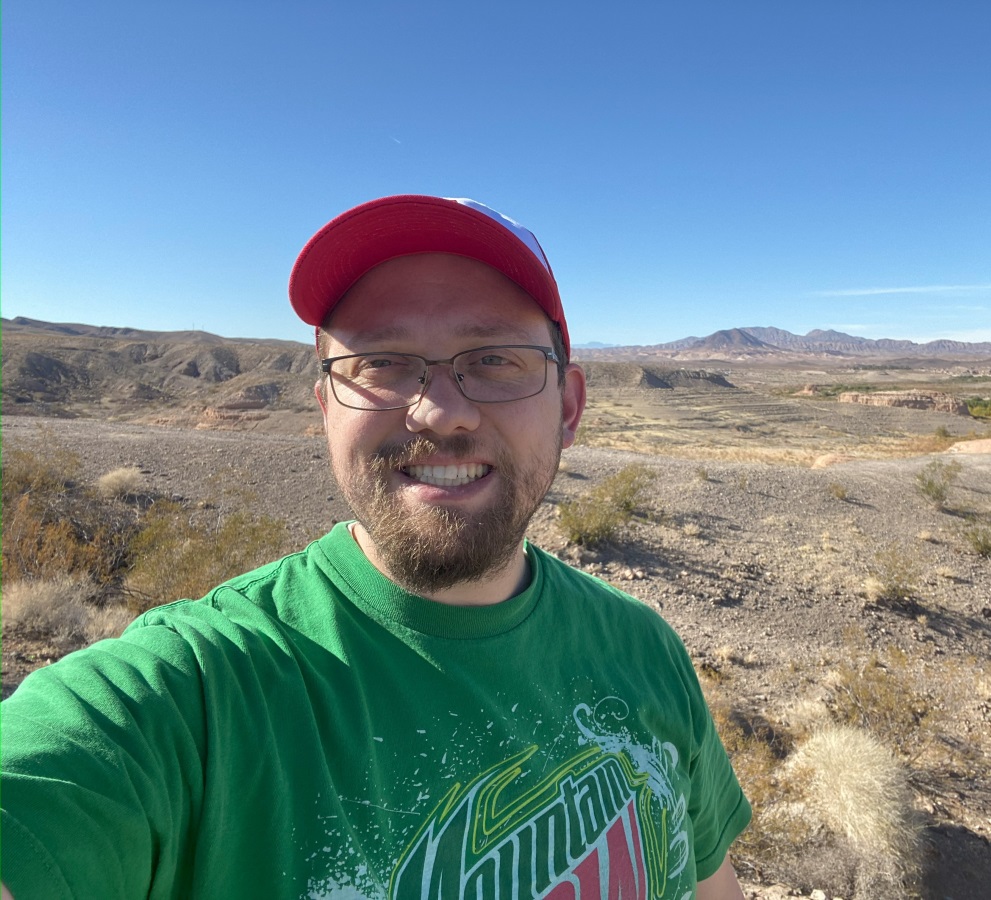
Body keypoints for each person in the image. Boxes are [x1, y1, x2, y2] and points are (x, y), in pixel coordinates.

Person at [1, 195, 751, 899]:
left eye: (493, 359)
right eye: (381, 363)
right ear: (326, 404)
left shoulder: (644, 651)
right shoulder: (197, 693)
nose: (438, 411)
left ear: (570, 405)